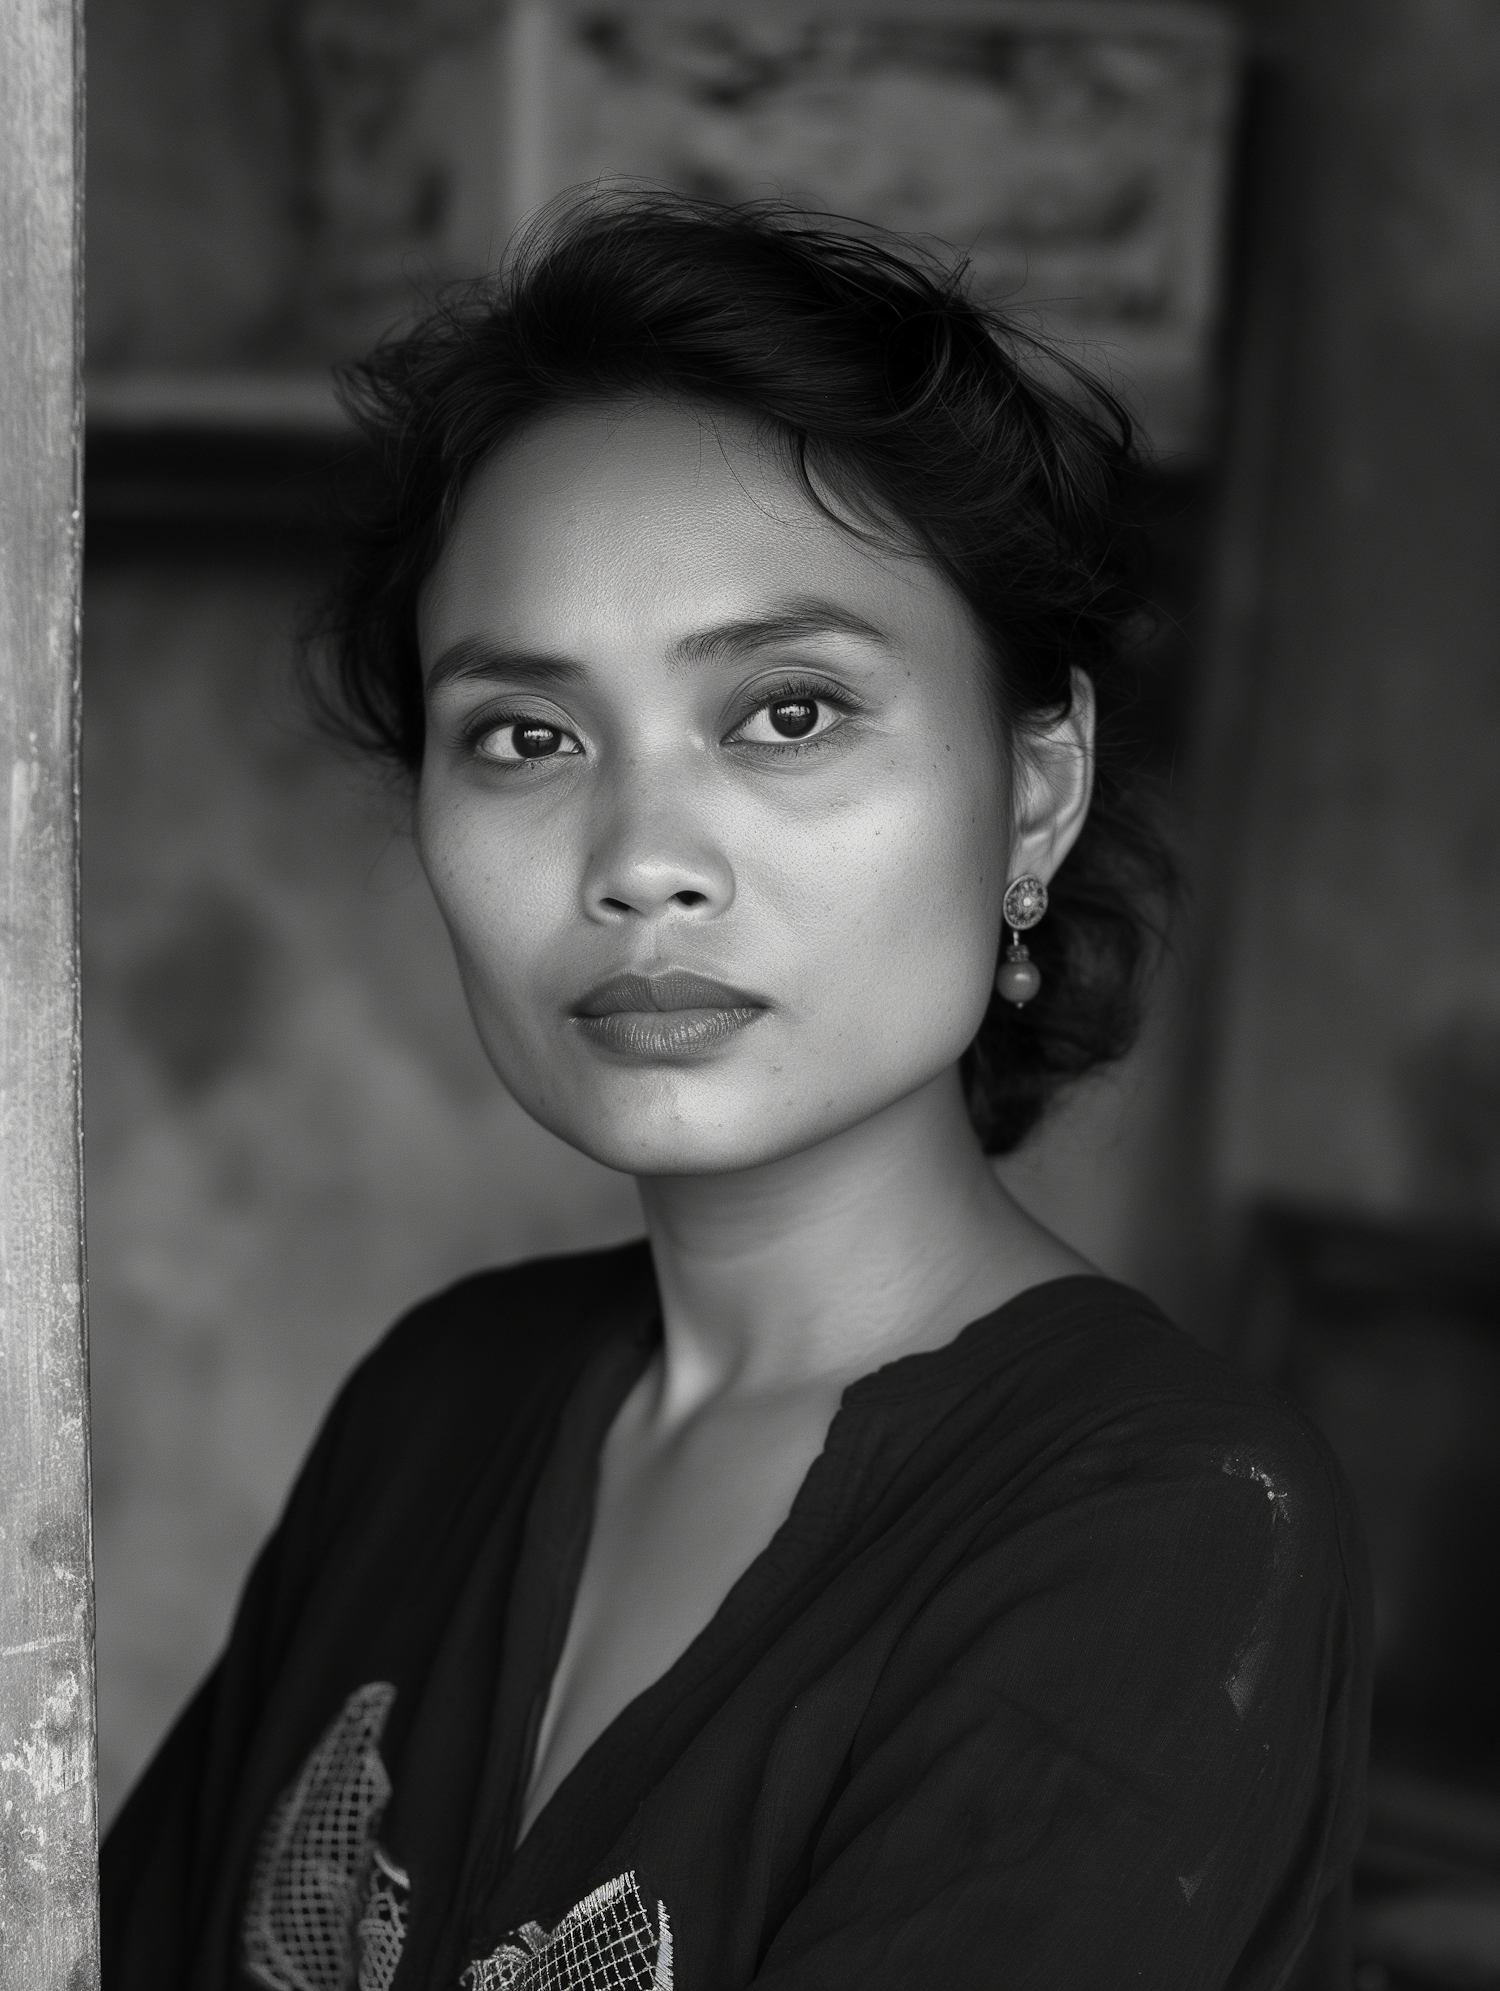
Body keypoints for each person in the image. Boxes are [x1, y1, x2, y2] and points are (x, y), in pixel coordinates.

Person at [101, 193, 1371, 1991]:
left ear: (1035, 790)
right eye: (528, 737)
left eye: (785, 712)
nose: (640, 860)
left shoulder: (1165, 1524)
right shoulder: (442, 1403)